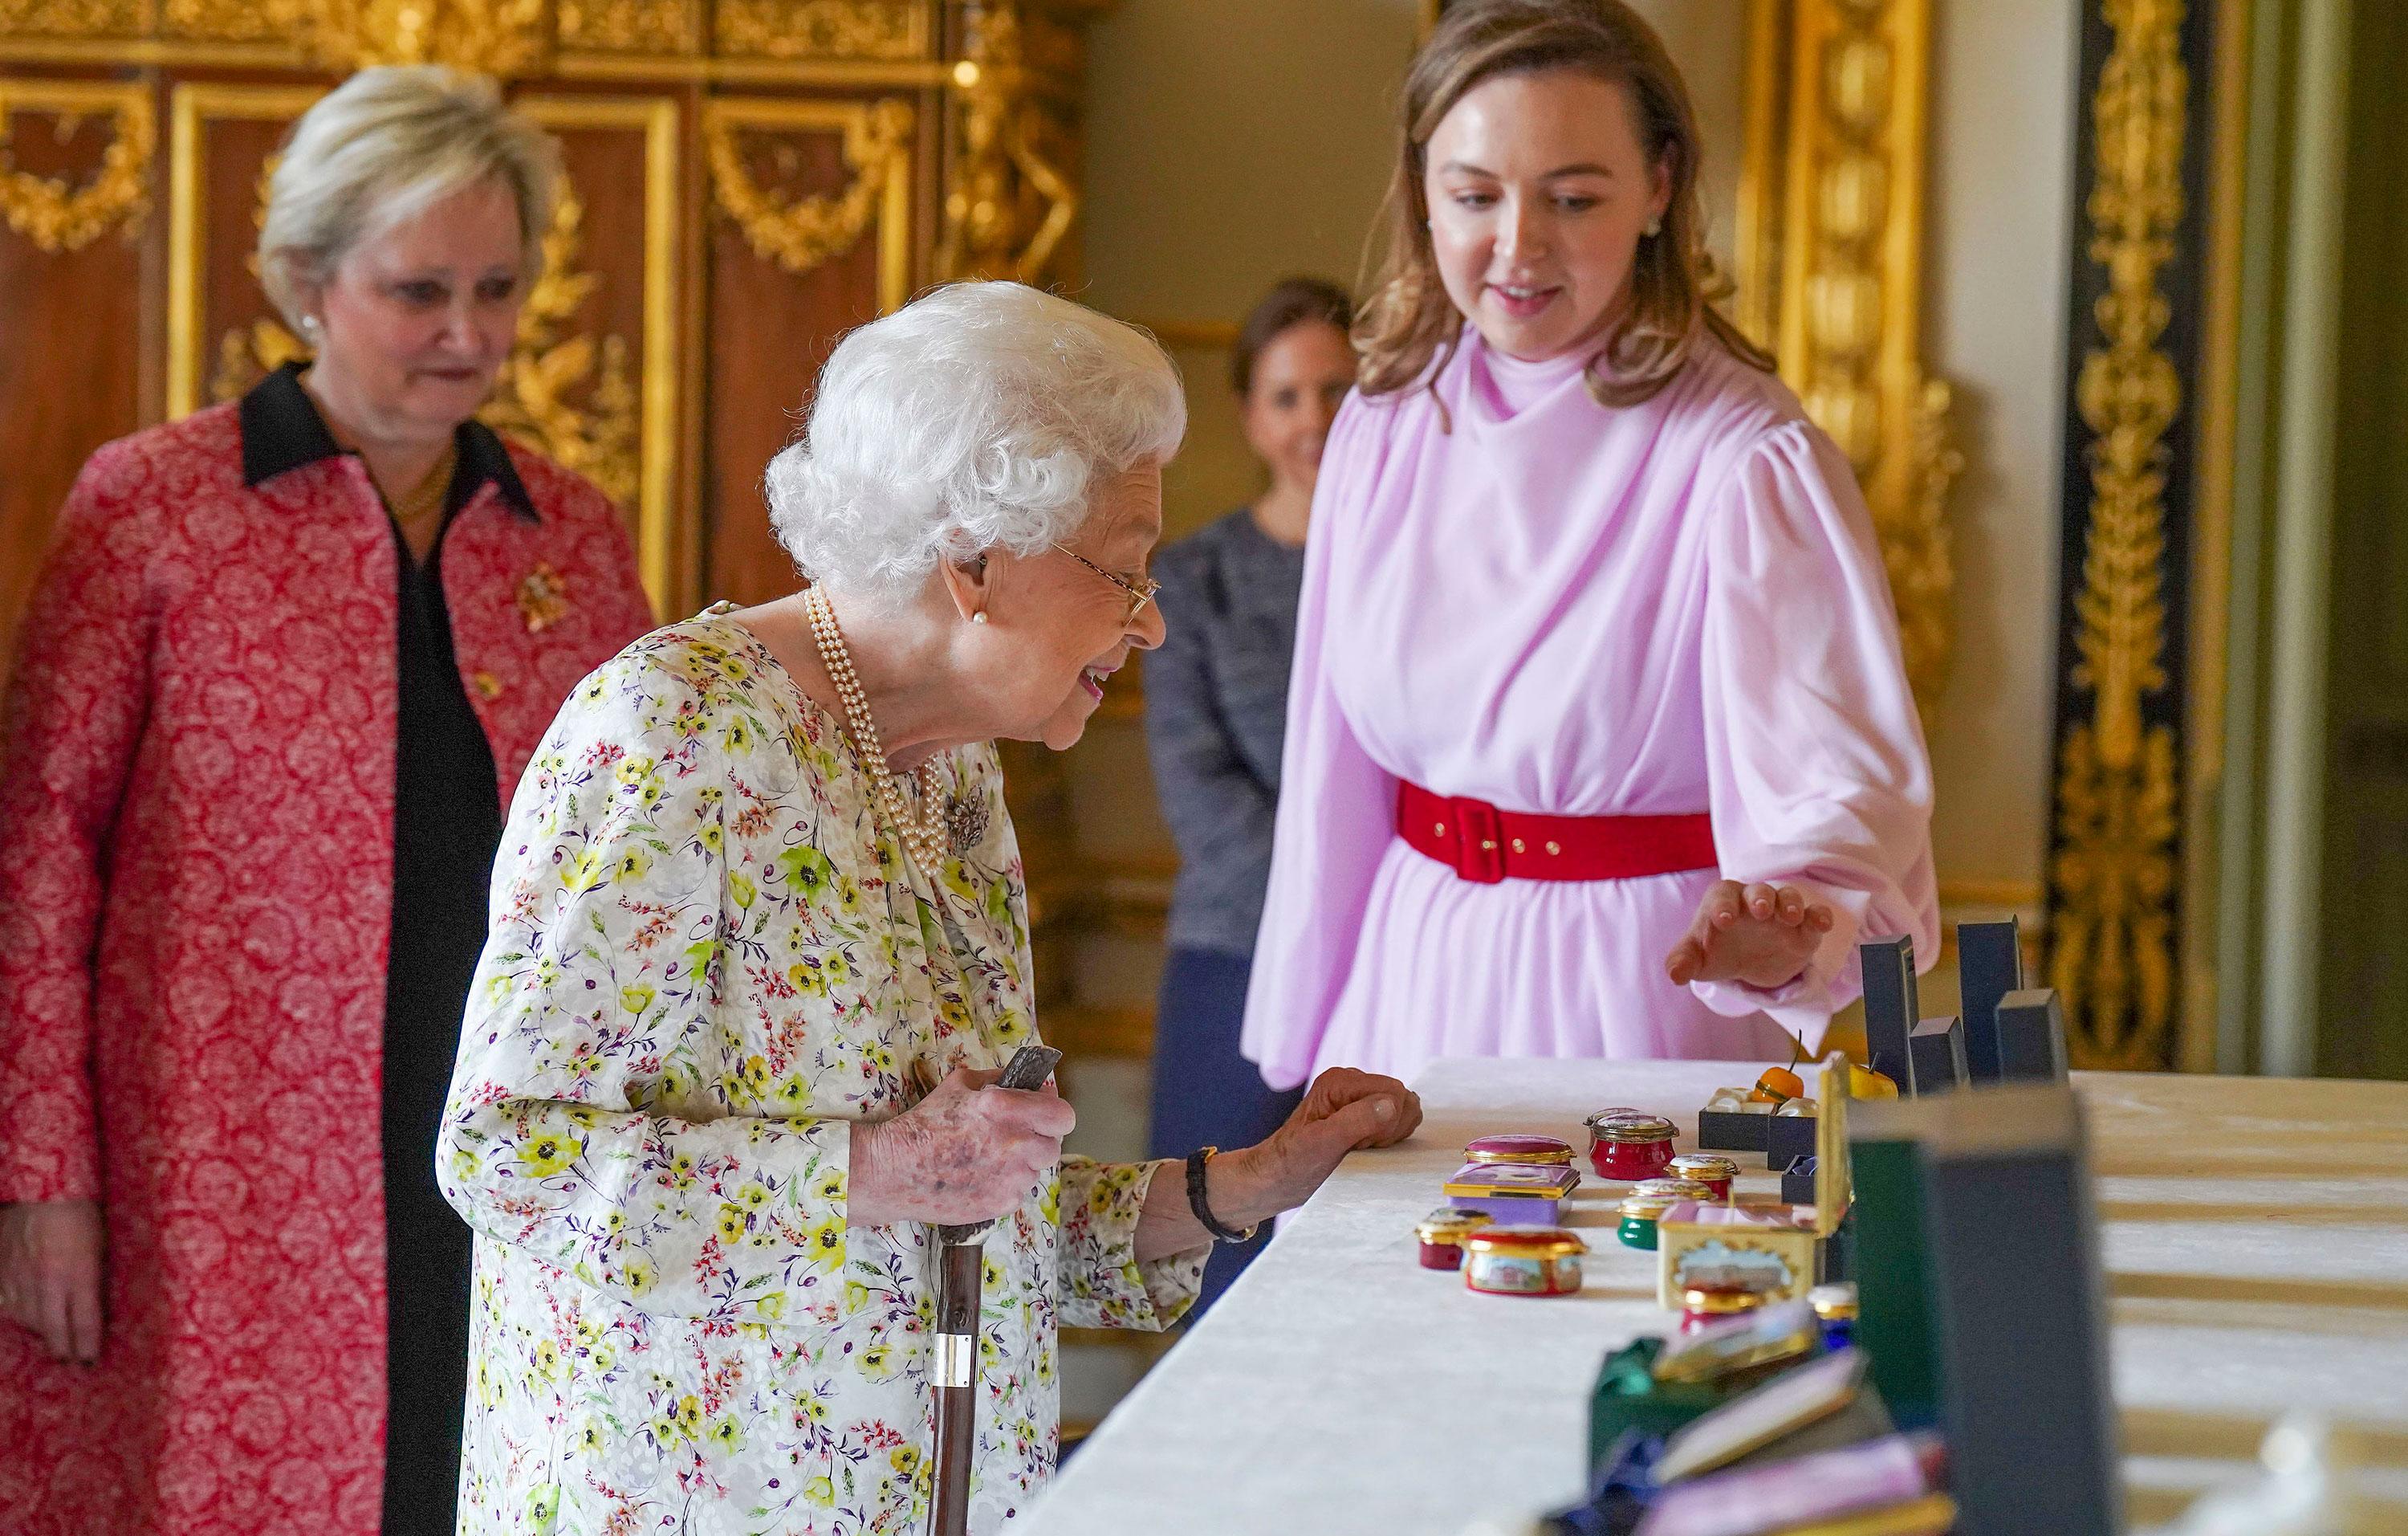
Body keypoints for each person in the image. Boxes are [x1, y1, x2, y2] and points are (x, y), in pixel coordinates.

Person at [436, 280, 1422, 1536]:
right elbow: (508, 1155)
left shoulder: (952, 763)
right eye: (1122, 570)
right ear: (971, 558)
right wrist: (876, 1167)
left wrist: (1249, 1182)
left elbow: (958, 1200)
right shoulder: (674, 732)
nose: (1152, 619)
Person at [0, 67, 657, 1534]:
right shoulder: (156, 505)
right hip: (214, 1166)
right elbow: (38, 855)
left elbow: (639, 859)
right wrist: (41, 1180)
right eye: (419, 289)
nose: (470, 334)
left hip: (501, 1148)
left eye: (499, 286)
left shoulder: (574, 530)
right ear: (307, 281)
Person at [1242, 0, 1939, 1094]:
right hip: (1410, 974)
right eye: (1474, 196)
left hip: (1639, 993)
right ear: (1422, 190)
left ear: (1660, 187)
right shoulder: (1381, 428)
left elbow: (1837, 801)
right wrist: (1309, 1029)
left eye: (1573, 198)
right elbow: (1333, 775)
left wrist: (1790, 925)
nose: (1517, 248)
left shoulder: (1747, 460)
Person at [1144, 277, 1357, 1313]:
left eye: (1338, 388)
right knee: (1218, 1270)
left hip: (1389, 961)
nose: (1313, 418)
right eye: (1287, 395)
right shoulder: (1193, 578)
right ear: (1250, 414)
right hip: (1237, 952)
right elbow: (1196, 787)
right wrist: (1345, 882)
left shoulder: (1420, 569)